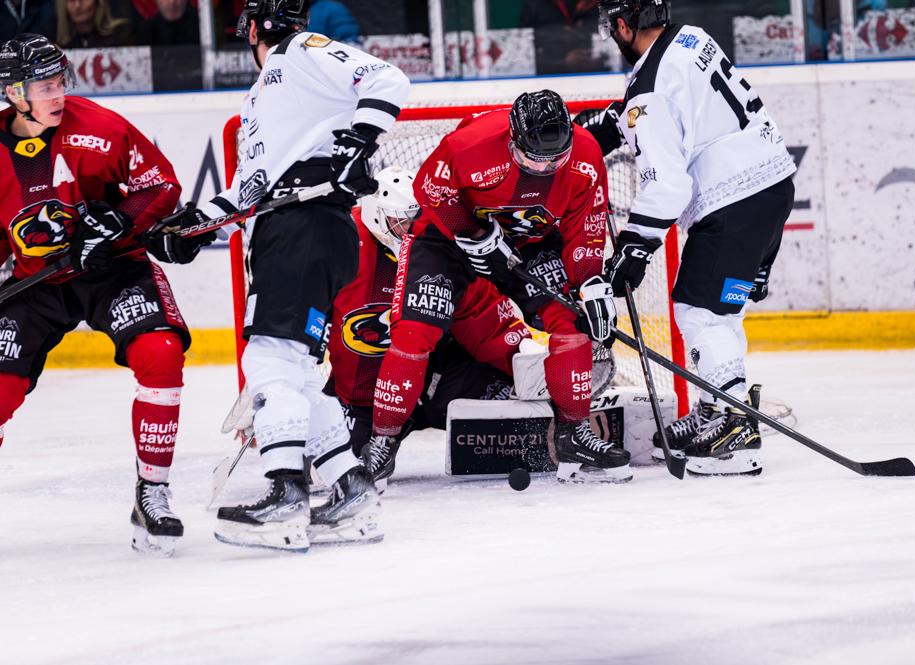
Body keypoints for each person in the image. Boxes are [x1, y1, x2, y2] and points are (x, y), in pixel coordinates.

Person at [146, 0, 410, 552]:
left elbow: (387, 78)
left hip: (304, 229)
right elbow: (253, 188)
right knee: (294, 372)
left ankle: (286, 496)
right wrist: (197, 223)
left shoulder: (299, 51)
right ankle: (351, 487)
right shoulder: (265, 95)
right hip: (298, 228)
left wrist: (355, 142)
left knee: (268, 362)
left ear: (256, 29)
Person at [368, 89, 631, 484]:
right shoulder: (471, 143)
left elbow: (585, 228)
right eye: (532, 159)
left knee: (572, 320)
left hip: (529, 242)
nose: (543, 169)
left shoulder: (587, 157)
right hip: (446, 241)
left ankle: (573, 433)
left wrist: (591, 282)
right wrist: (471, 231)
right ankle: (383, 443)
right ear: (513, 139)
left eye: (554, 161)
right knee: (414, 331)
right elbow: (429, 189)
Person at [0, 33, 195, 556]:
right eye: (44, 84)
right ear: (14, 93)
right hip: (33, 285)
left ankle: (152, 492)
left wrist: (117, 221)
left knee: (160, 353)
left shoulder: (102, 129)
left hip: (114, 271)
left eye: (60, 80)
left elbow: (162, 187)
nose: (58, 92)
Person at [595, 0, 796, 476]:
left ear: (624, 25)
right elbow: (681, 98)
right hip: (772, 188)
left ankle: (734, 430)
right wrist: (617, 121)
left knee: (697, 311)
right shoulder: (691, 36)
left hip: (733, 203)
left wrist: (633, 245)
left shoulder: (647, 91)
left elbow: (668, 184)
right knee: (721, 312)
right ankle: (714, 409)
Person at [323, 167, 533, 491]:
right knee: (330, 468)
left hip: (436, 380)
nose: (410, 229)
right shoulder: (341, 242)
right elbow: (306, 307)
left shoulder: (434, 248)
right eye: (401, 222)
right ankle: (378, 438)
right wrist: (288, 369)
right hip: (363, 395)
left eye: (414, 220)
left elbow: (481, 314)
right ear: (378, 215)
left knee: (507, 400)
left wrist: (524, 361)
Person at [56, 0, 133, 49]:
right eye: (71, 0)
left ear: (98, 2)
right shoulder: (59, 47)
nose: (77, 6)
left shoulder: (122, 34)